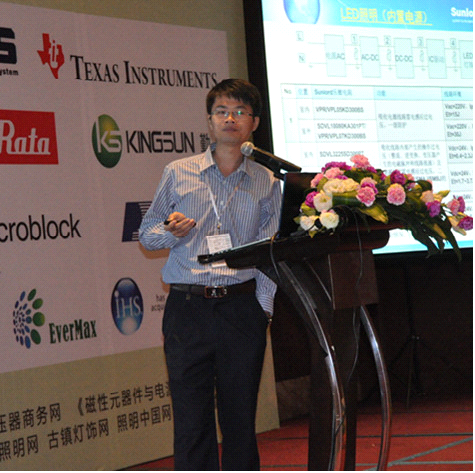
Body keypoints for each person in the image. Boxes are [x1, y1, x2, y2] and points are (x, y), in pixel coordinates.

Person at [139, 78, 282, 471]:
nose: (230, 119)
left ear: (254, 123)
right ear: (209, 121)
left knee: (240, 420)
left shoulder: (267, 181)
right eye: (221, 111)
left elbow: (272, 254)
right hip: (188, 308)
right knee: (191, 421)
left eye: (240, 112)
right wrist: (170, 232)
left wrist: (262, 309)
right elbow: (147, 234)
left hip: (241, 308)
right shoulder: (178, 172)